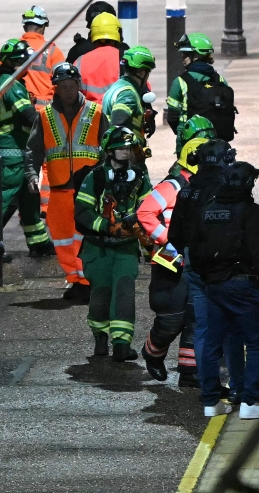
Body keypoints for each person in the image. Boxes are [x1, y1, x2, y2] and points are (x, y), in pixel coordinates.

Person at [189, 162, 259, 419]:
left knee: (212, 344)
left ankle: (211, 403)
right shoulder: (250, 211)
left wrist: (209, 277)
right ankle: (250, 402)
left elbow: (194, 250)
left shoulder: (207, 210)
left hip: (214, 287)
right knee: (255, 344)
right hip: (242, 285)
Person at [167, 139, 254, 405]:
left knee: (204, 327)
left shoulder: (187, 190)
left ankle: (210, 388)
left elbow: (174, 235)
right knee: (230, 327)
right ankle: (237, 387)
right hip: (223, 268)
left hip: (194, 265)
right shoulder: (228, 189)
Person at [25, 63, 108, 303]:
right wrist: (32, 175)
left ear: (78, 85)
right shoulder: (45, 115)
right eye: (63, 86)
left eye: (71, 86)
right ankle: (76, 280)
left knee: (86, 237)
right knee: (62, 237)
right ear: (57, 89)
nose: (68, 91)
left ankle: (88, 280)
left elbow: (108, 146)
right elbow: (33, 150)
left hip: (89, 188)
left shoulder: (96, 112)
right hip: (59, 188)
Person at [74, 126, 152, 362]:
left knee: (125, 293)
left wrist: (137, 228)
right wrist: (108, 227)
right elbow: (82, 212)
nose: (125, 152)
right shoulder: (95, 177)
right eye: (120, 148)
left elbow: (148, 209)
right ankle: (100, 337)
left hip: (126, 249)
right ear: (109, 151)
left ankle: (121, 344)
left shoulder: (139, 178)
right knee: (101, 293)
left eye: (128, 147)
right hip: (98, 249)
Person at [0, 39, 54, 262]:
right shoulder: (11, 85)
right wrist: (53, 125)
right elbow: (28, 116)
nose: (27, 65)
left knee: (30, 199)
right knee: (5, 201)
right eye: (23, 61)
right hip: (12, 154)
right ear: (13, 62)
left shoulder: (8, 82)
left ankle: (39, 243)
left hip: (19, 153)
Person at [136, 139, 200, 387]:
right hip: (170, 263)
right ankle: (152, 352)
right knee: (172, 319)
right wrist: (167, 237)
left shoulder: (206, 186)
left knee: (197, 316)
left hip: (196, 263)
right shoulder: (172, 186)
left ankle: (189, 371)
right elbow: (145, 212)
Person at [19, 5, 66, 214]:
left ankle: (26, 207)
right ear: (44, 26)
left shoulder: (13, 48)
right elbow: (64, 83)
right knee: (48, 160)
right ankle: (46, 206)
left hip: (20, 113)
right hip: (46, 112)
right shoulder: (53, 50)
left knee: (25, 160)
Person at [165, 33, 235, 143]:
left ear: (196, 56)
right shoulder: (220, 80)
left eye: (186, 54)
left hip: (189, 142)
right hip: (218, 142)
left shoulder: (180, 82)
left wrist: (183, 134)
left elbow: (172, 118)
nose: (183, 58)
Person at [102, 46, 157, 144]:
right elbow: (119, 126)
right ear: (141, 73)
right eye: (148, 73)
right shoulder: (128, 94)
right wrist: (136, 148)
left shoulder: (117, 86)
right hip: (125, 156)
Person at [74, 12, 124, 103]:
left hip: (90, 114)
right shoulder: (124, 58)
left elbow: (73, 92)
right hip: (117, 112)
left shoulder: (80, 61)